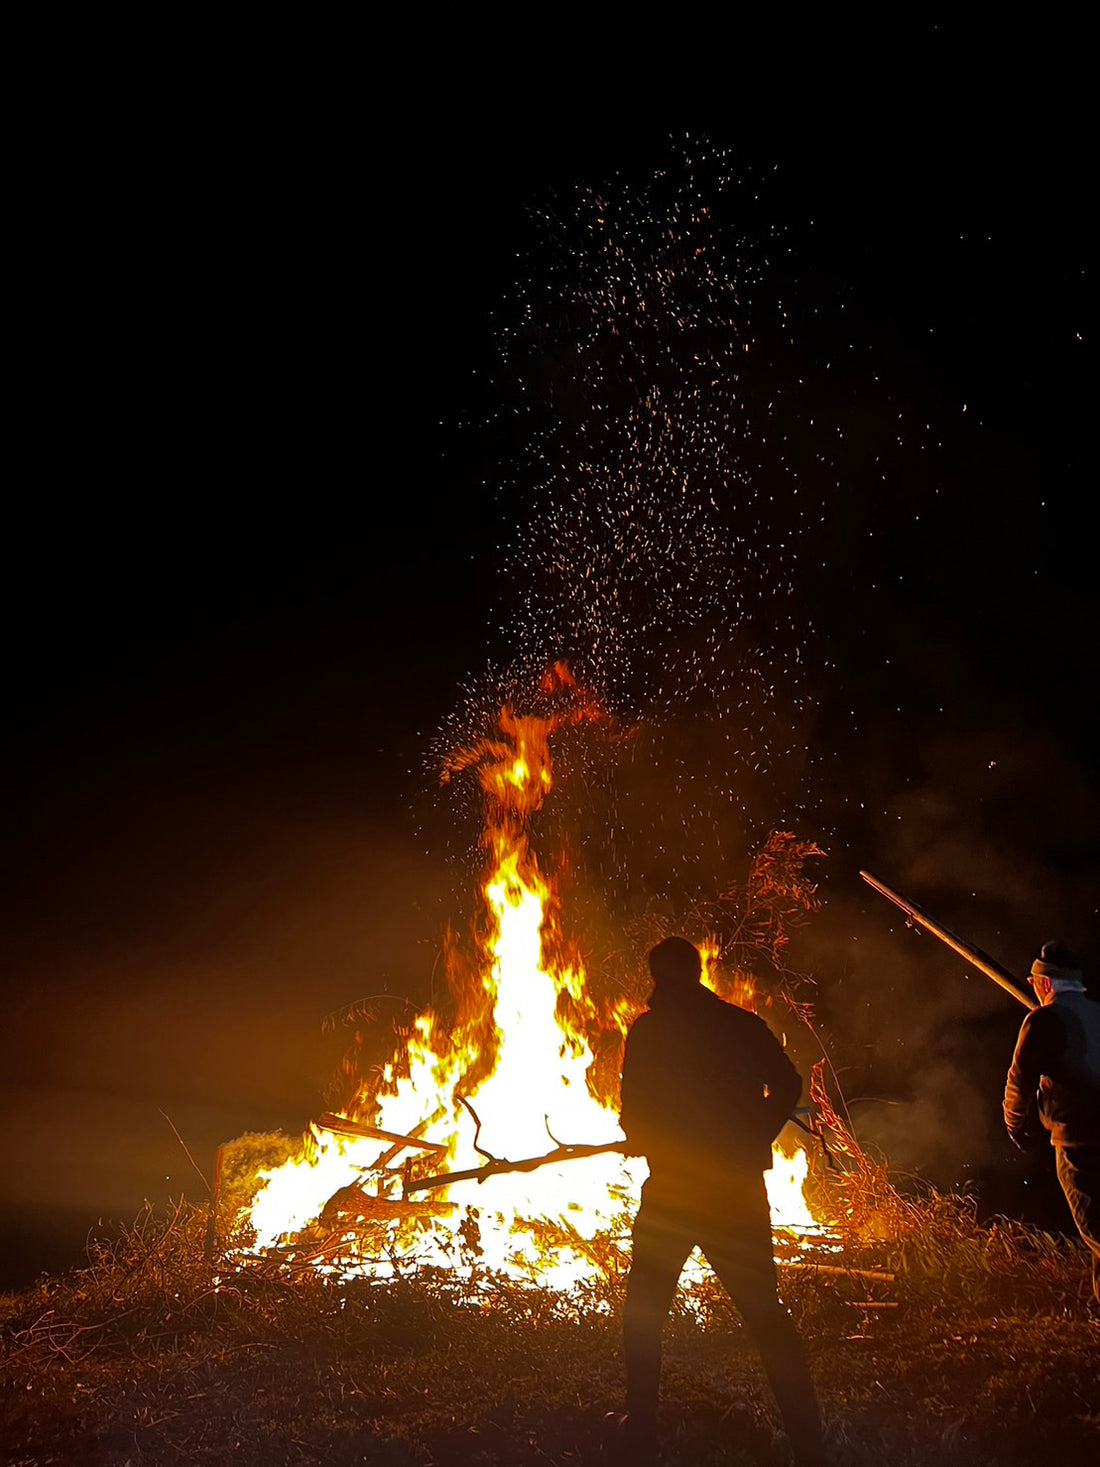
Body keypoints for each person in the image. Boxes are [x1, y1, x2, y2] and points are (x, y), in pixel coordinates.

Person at [615, 936, 825, 1467]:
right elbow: (788, 1083)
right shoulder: (741, 1024)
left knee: (644, 1313)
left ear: (655, 976)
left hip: (674, 1192)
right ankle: (809, 1444)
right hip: (735, 1191)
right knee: (765, 1315)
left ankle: (639, 1434)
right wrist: (756, 1135)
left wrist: (640, 1134)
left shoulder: (648, 1030)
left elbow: (633, 1106)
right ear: (699, 970)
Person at [1004, 940, 1100, 1308]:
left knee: (1095, 1227)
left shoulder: (1043, 1019)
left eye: (1034, 982)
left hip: (1079, 1143)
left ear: (1045, 985)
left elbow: (1019, 1078)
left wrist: (1015, 1123)